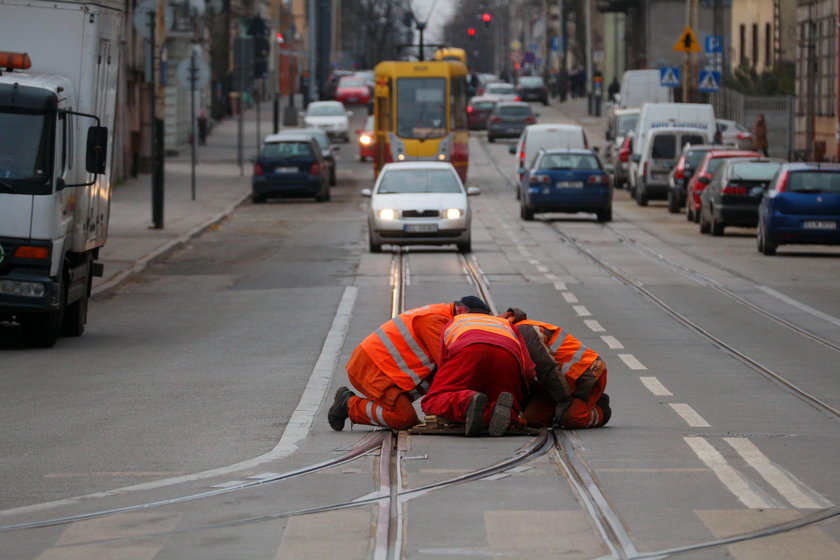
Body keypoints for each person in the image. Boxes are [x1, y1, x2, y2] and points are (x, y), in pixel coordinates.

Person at [328, 298, 467, 431]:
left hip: (382, 370)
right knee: (404, 418)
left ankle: (358, 404)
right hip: (372, 369)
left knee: (410, 409)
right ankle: (348, 405)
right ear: (461, 311)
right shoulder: (435, 321)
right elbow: (448, 367)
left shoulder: (442, 316)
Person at [421, 298, 535, 437]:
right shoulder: (506, 324)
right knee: (500, 400)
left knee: (433, 400)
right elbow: (527, 368)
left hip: (469, 350)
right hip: (507, 356)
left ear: (463, 311)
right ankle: (496, 412)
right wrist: (520, 390)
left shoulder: (455, 321)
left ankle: (468, 401)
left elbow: (444, 363)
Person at [502, 308, 611, 429]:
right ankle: (562, 409)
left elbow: (546, 367)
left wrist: (563, 399)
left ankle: (601, 409)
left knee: (571, 419)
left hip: (584, 375)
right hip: (556, 383)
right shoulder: (509, 335)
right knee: (533, 420)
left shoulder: (524, 331)